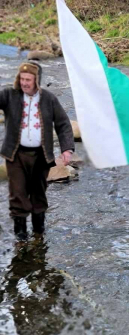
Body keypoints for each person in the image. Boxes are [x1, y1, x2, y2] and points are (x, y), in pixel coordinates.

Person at [0, 62, 74, 240]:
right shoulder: (9, 95)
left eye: (28, 79)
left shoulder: (48, 99)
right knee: (17, 194)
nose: (24, 83)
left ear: (37, 80)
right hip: (16, 155)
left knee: (38, 194)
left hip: (41, 156)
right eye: (22, 79)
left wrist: (67, 149)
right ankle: (21, 237)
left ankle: (39, 234)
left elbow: (63, 124)